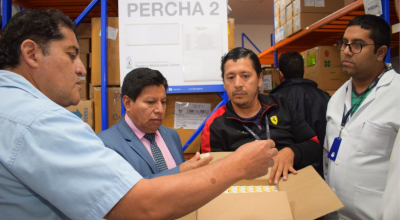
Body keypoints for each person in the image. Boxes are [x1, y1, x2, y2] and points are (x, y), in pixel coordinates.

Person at [0, 9, 279, 220]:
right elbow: (139, 203)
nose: (81, 69)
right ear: (32, 54)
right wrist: (239, 165)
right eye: (71, 54)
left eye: (162, 101)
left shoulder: (169, 136)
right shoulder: (39, 121)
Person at [201, 47, 321, 185]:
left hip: (290, 188)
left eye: (245, 76)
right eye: (230, 77)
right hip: (244, 197)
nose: (238, 84)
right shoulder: (215, 124)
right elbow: (209, 176)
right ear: (224, 83)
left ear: (259, 79)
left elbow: (314, 145)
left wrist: (292, 152)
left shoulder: (280, 106)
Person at [324, 14, 399, 220]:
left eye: (357, 45)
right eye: (344, 43)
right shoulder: (336, 98)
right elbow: (328, 157)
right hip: (335, 212)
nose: (346, 51)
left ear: (380, 52)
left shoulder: (397, 95)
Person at [98, 68, 207, 179]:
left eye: (163, 102)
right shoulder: (106, 145)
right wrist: (179, 171)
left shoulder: (171, 135)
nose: (160, 110)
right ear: (127, 103)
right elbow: (127, 190)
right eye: (150, 102)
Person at [270, 51, 330, 177]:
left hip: (289, 172)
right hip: (322, 169)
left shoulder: (274, 101)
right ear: (303, 70)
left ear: (280, 74)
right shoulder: (324, 97)